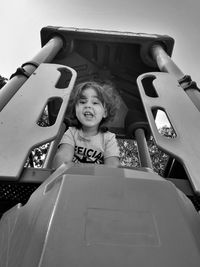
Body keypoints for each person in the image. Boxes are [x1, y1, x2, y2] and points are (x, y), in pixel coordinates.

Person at [52, 80, 120, 169]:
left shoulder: (108, 138)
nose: (88, 106)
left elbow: (113, 166)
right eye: (82, 102)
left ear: (105, 113)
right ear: (75, 110)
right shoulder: (72, 132)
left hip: (97, 181)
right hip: (71, 178)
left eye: (95, 102)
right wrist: (62, 164)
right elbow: (62, 159)